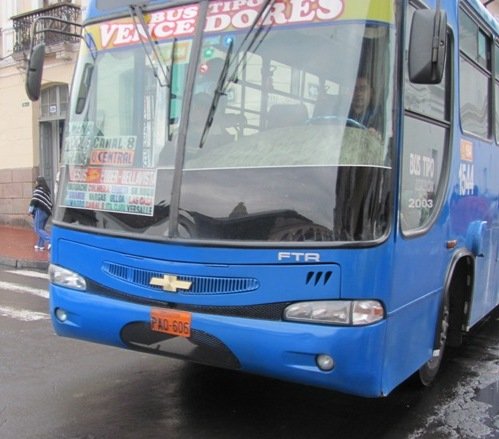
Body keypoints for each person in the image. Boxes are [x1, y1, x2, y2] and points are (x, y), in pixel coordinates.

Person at [28, 176, 52, 251]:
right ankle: (40, 245)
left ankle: (51, 240)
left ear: (38, 182)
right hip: (47, 212)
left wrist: (30, 211)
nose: (35, 183)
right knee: (41, 228)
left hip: (40, 211)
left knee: (37, 228)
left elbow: (34, 201)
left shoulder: (38, 190)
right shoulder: (46, 190)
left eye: (36, 181)